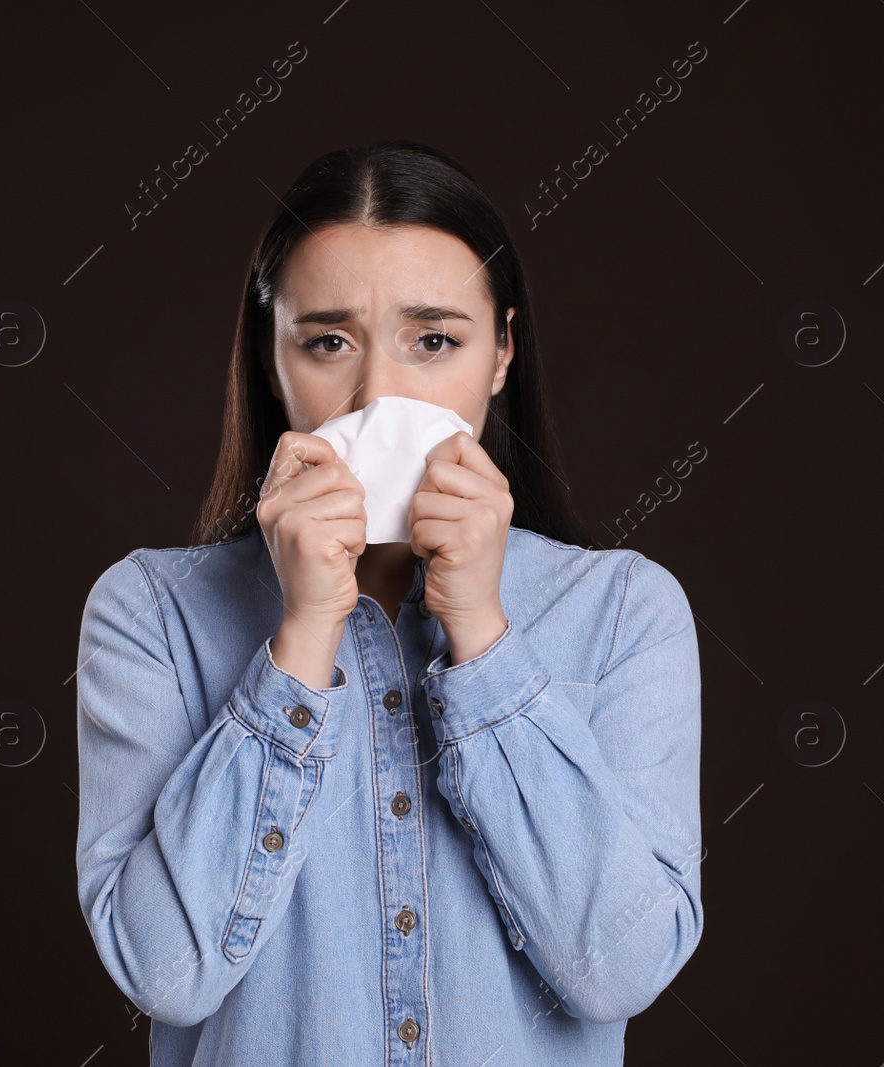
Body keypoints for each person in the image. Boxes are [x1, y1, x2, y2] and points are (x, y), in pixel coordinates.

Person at [74, 139, 703, 1065]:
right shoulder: (150, 613)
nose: (379, 394)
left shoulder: (623, 613)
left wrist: (484, 640)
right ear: (270, 359)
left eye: (435, 341)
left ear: (501, 355)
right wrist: (301, 638)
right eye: (328, 341)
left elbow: (621, 967)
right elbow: (166, 974)